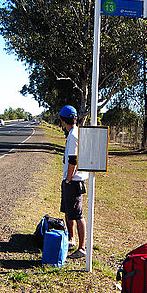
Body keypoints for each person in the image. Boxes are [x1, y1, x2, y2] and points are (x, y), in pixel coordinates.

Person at [59, 105, 88, 260]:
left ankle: (82, 248)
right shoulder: (74, 133)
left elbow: (73, 160)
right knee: (69, 212)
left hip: (74, 181)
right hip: (71, 180)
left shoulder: (73, 136)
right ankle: (71, 239)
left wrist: (69, 179)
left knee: (77, 214)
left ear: (63, 120)